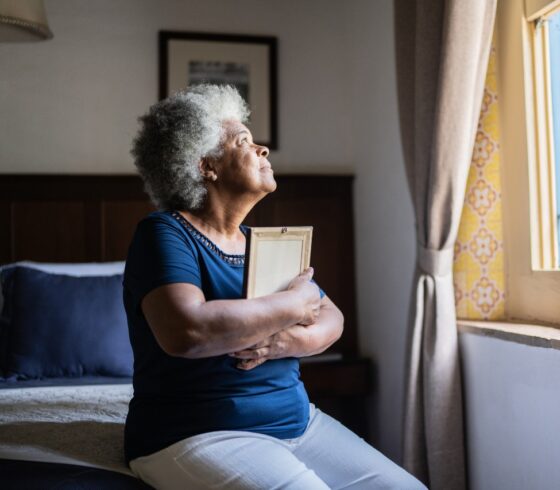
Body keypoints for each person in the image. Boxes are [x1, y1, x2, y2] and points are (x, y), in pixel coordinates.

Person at [123, 84, 425, 489]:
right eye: (244, 141)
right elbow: (187, 331)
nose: (263, 149)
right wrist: (295, 304)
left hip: (299, 424)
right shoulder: (164, 233)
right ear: (206, 166)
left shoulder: (261, 242)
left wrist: (286, 343)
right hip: (197, 433)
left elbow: (332, 318)